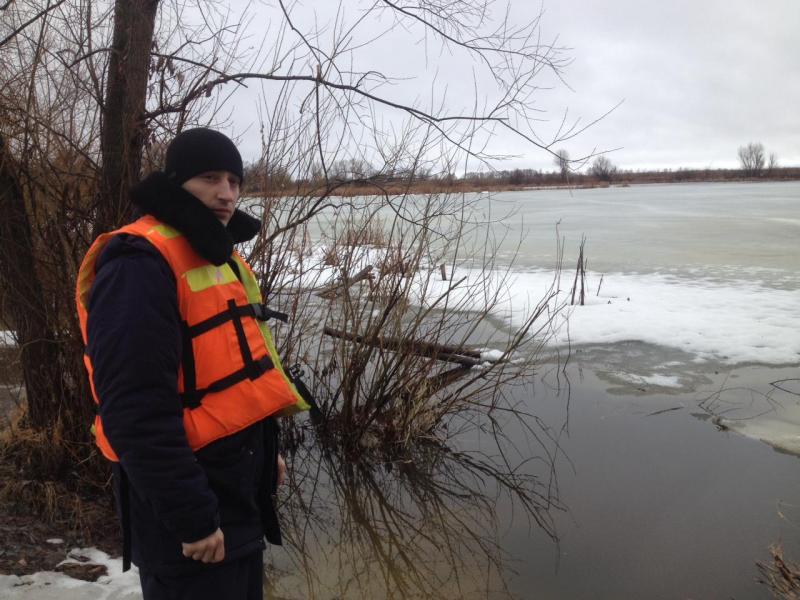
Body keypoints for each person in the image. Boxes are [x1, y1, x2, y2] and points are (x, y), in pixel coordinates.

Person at [75, 128, 309, 599]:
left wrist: (266, 456)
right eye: (209, 178)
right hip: (189, 516)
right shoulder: (137, 264)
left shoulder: (215, 253)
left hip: (235, 495)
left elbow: (234, 375)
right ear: (177, 182)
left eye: (234, 181)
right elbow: (134, 410)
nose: (226, 193)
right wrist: (192, 518)